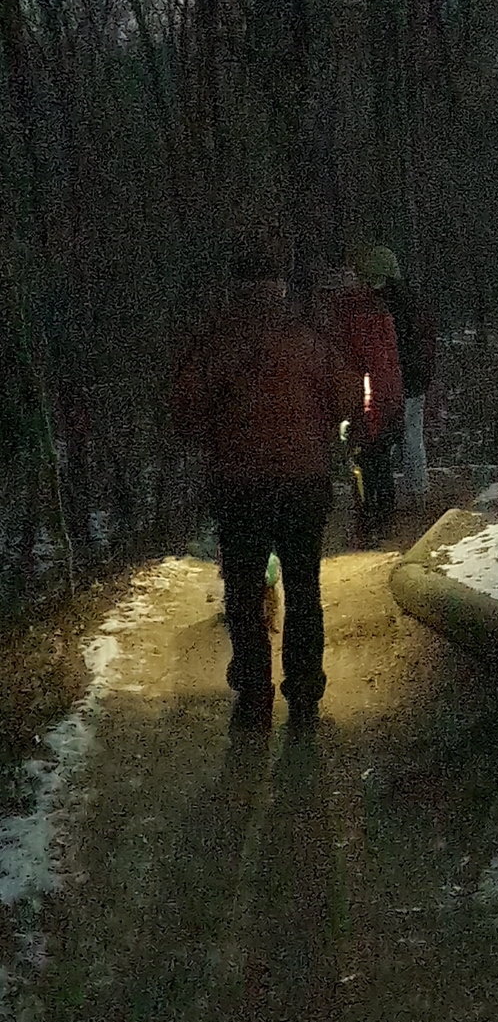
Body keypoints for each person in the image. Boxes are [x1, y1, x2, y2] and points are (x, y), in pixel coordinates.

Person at [169, 244, 366, 731]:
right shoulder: (307, 336)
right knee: (303, 586)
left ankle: (253, 689)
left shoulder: (214, 339)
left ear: (234, 285)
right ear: (279, 284)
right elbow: (346, 399)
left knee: (242, 588)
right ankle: (304, 688)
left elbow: (184, 411)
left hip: (238, 484)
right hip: (303, 480)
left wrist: (219, 436)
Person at [319, 258, 404, 544]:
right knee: (376, 459)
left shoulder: (350, 318)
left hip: (368, 399)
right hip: (385, 396)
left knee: (368, 458)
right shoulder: (377, 312)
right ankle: (379, 514)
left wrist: (363, 410)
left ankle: (371, 518)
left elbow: (365, 364)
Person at [362, 246, 436, 512]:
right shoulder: (412, 299)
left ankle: (398, 495)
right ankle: (418, 490)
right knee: (411, 435)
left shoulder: (384, 304)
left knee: (389, 436)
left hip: (396, 378)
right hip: (415, 377)